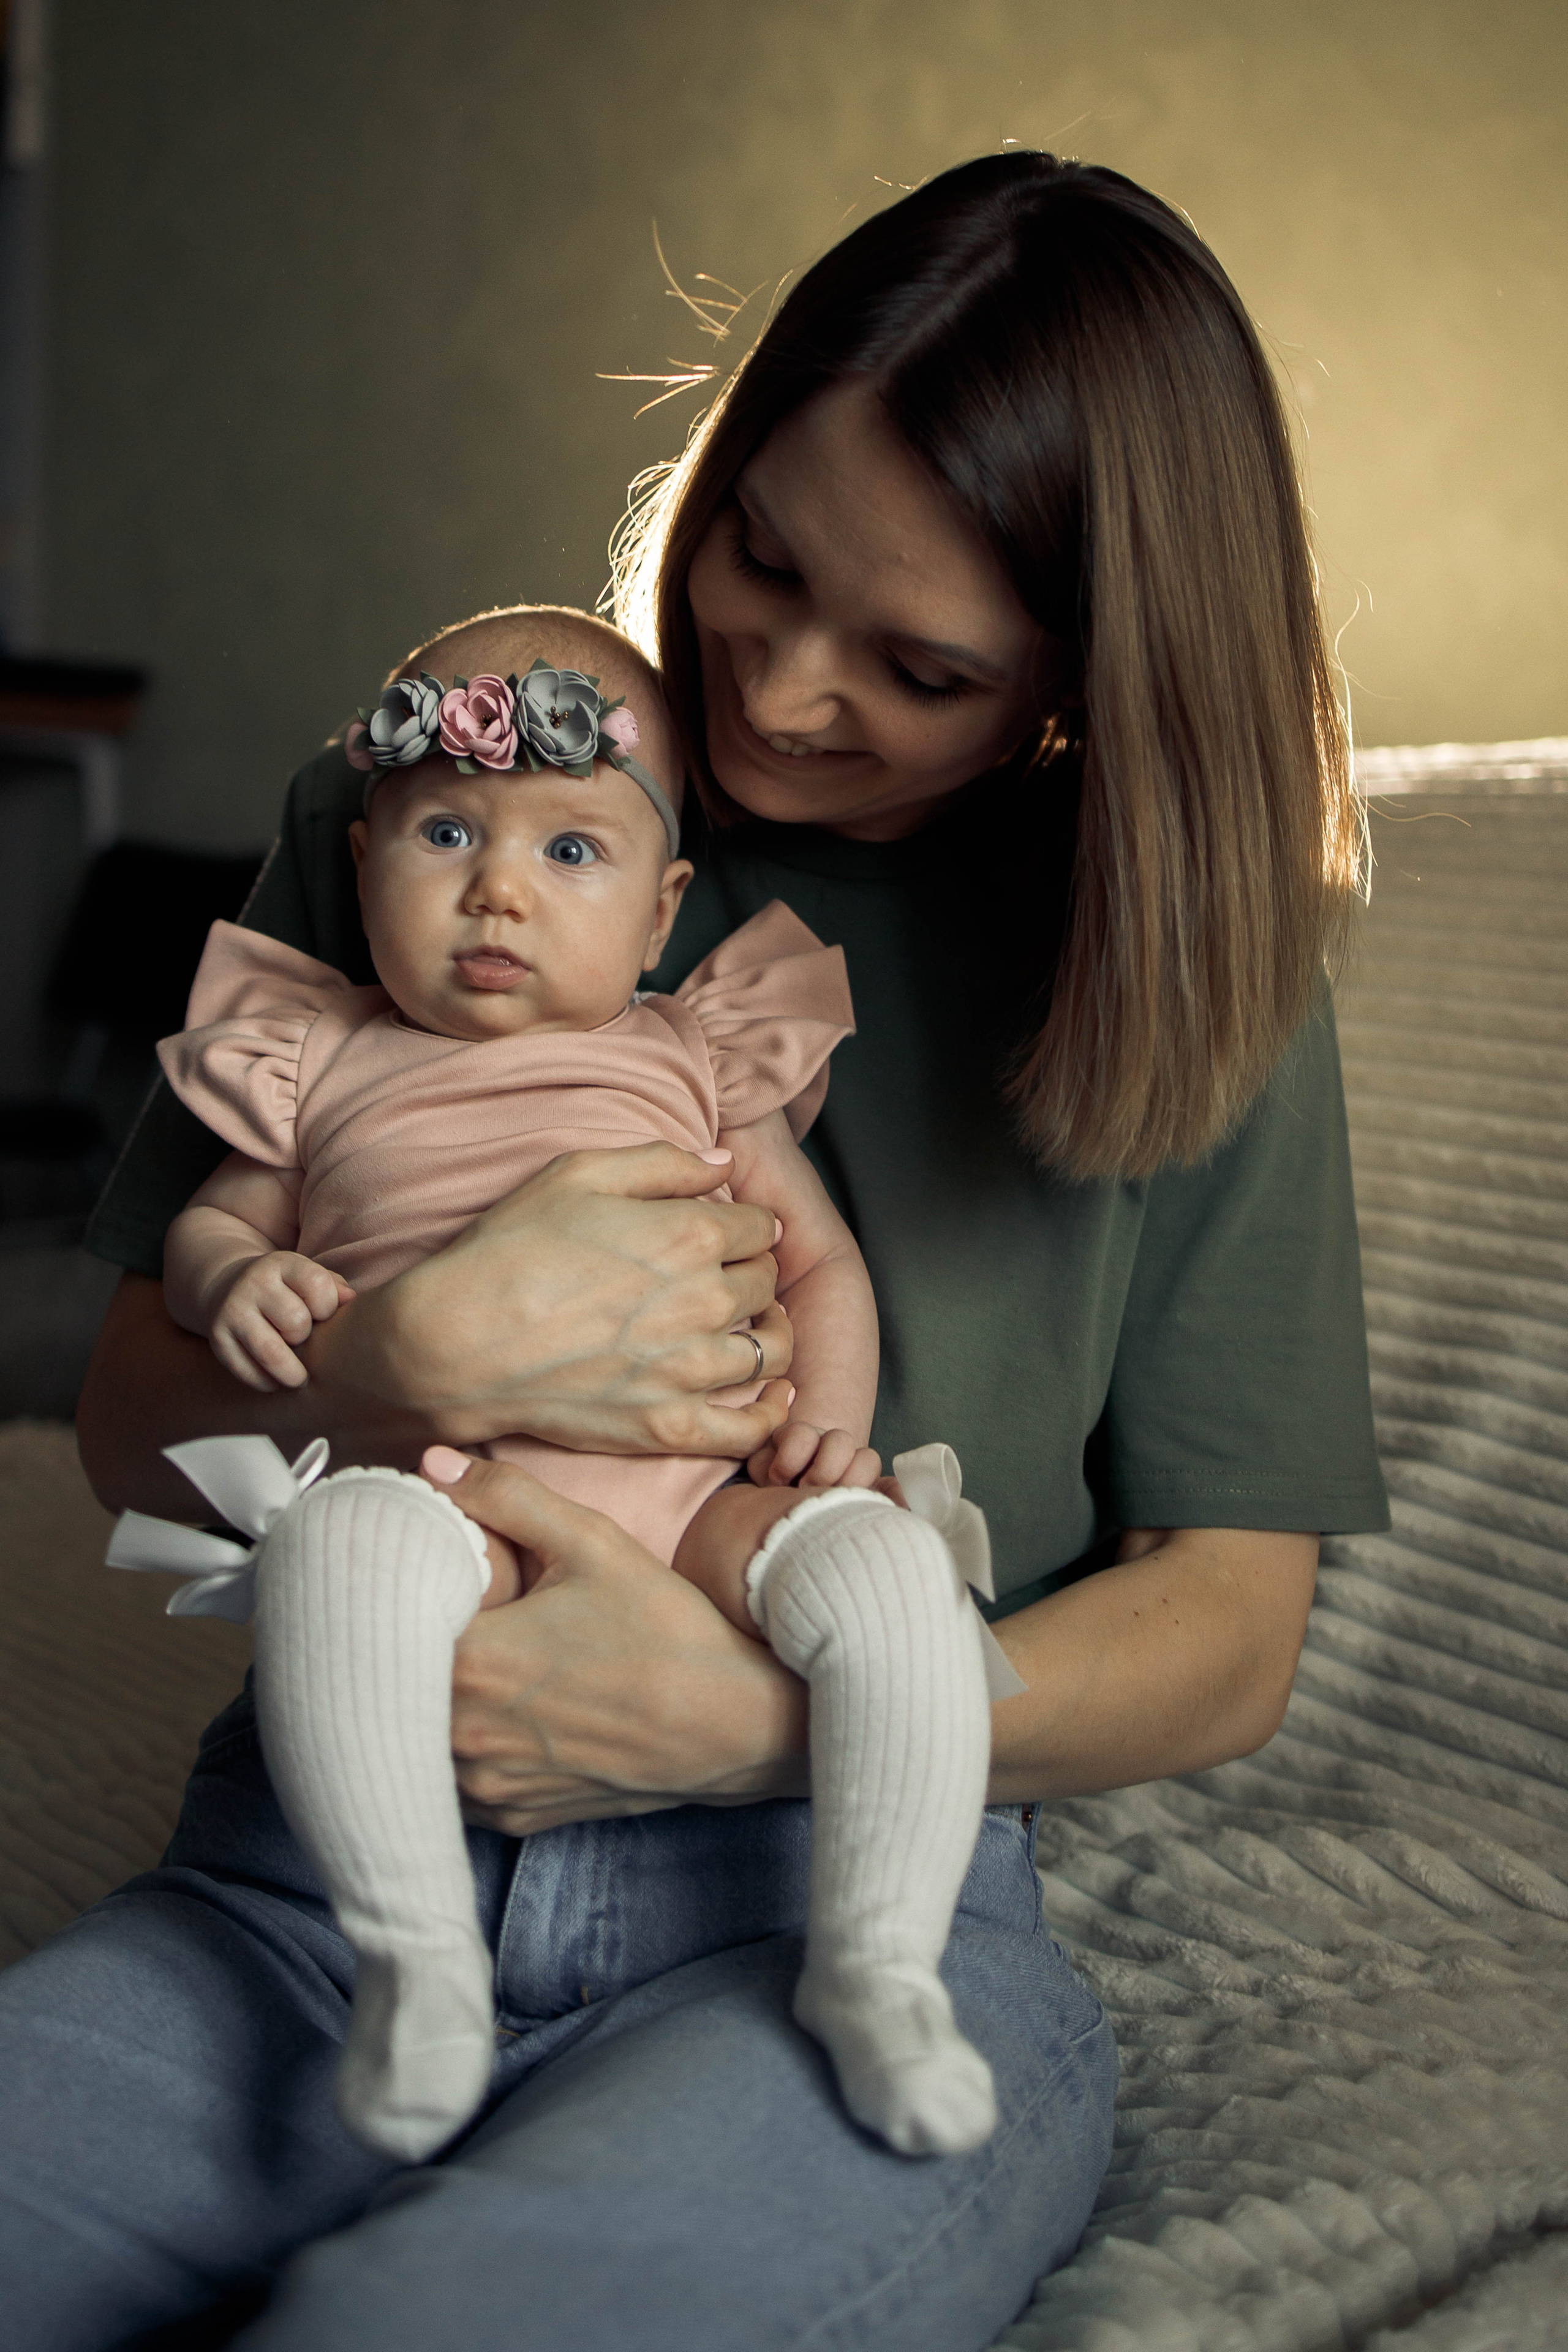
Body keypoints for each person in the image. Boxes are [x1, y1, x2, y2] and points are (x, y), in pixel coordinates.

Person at [0, 151, 1387, 2352]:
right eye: (761, 555)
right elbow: (122, 1427)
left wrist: (749, 1726)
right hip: (310, 1892)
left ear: (1077, 673)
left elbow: (1230, 1631)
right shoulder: (441, 803)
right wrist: (383, 1364)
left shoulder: (1196, 979)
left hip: (841, 1930)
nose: (788, 686)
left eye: (919, 663)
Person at [129, 608, 1005, 2165]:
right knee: (332, 1553)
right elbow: (215, 1226)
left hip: (699, 1515)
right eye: (447, 831)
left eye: (571, 854)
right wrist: (236, 1281)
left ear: (666, 909)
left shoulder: (692, 1055)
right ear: (360, 868)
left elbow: (819, 1264)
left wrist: (831, 1429)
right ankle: (417, 1961)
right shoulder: (315, 1058)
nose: (498, 890)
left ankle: (878, 1964)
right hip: (449, 1507)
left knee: (886, 1581)